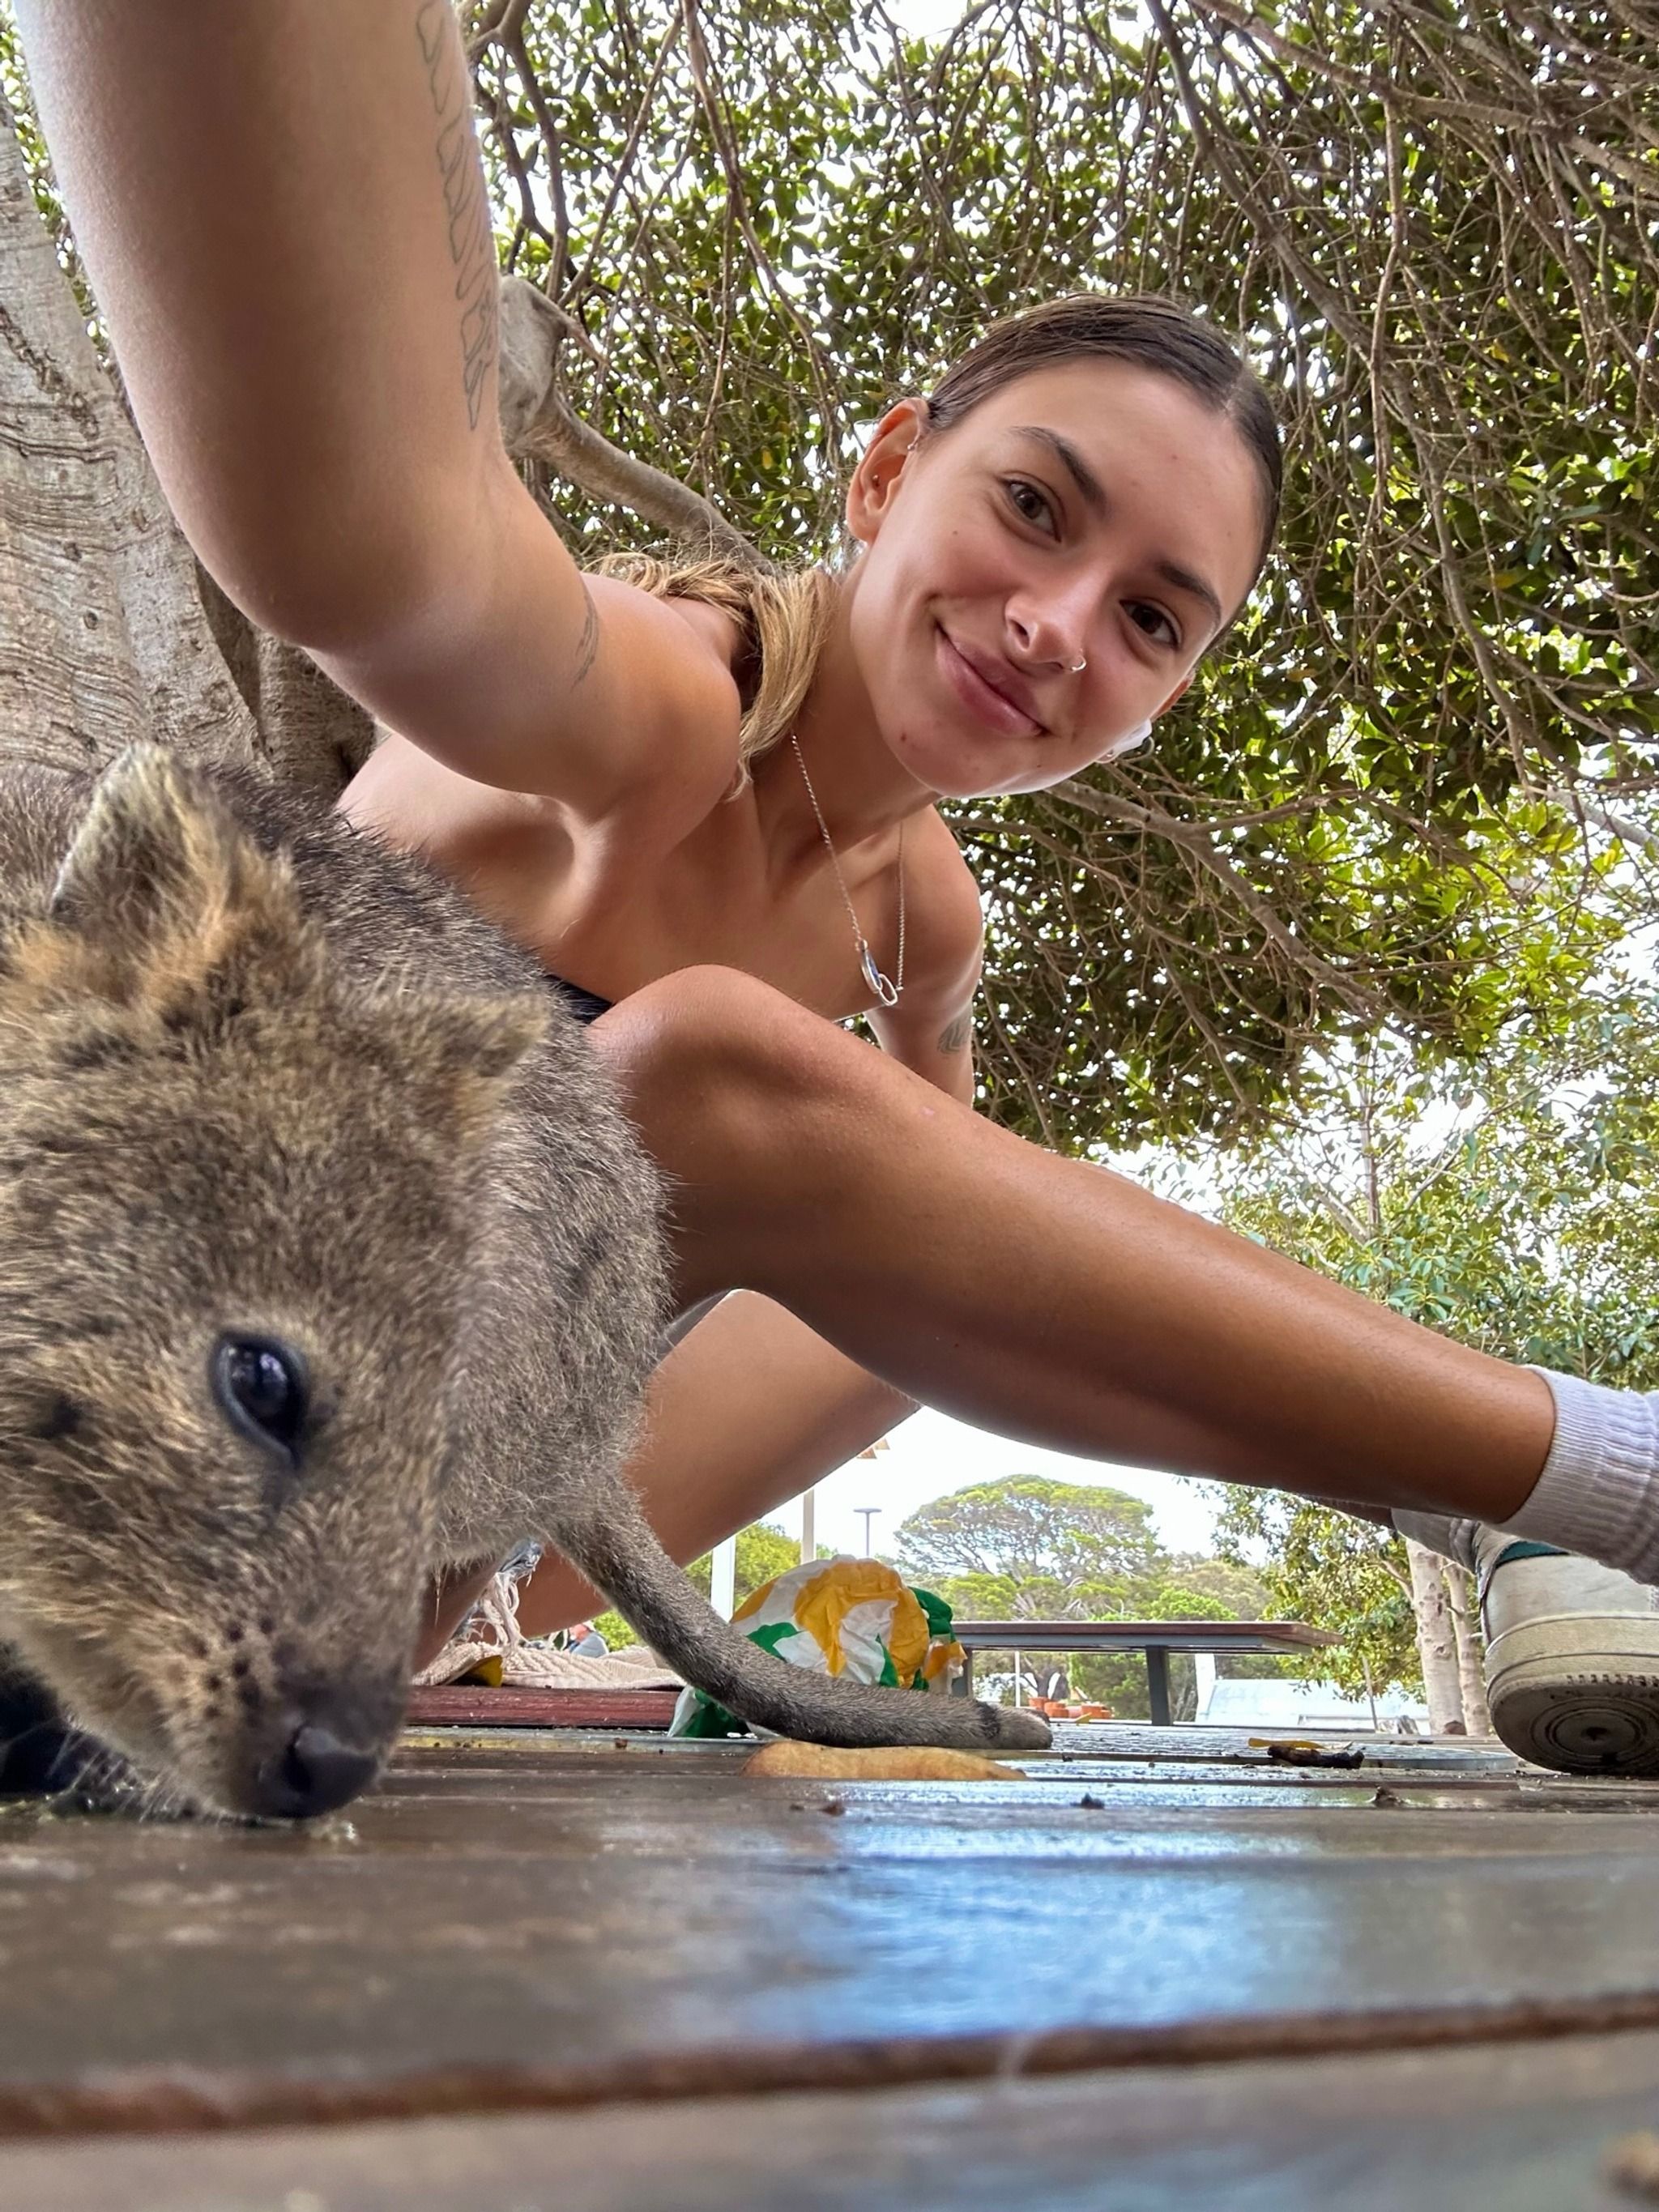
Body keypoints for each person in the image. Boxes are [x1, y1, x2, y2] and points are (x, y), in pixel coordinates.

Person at [18, 0, 1659, 1774]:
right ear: (886, 472)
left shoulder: (920, 925)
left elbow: (986, 1262)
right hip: (133, 1430)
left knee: (924, 1280)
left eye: (1148, 617)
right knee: (702, 1077)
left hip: (343, 1567)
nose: (1058, 624)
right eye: (1034, 508)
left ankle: (1494, 1511)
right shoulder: (664, 704)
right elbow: (396, 555)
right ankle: (1600, 1480)